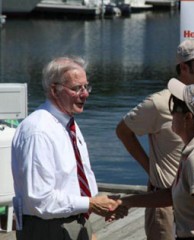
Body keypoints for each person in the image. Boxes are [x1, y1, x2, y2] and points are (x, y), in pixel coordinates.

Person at [115, 38, 194, 240]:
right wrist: (150, 168)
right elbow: (123, 131)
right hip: (165, 203)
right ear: (184, 67)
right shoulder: (159, 103)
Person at [11, 56, 124, 240]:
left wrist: (98, 207)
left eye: (86, 86)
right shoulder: (38, 131)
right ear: (55, 90)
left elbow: (78, 176)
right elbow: (41, 200)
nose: (85, 94)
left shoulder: (68, 123)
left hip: (73, 220)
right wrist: (91, 204)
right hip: (48, 228)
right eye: (76, 88)